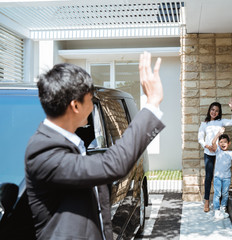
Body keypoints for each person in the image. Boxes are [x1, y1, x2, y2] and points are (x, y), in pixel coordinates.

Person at [25, 52, 165, 240]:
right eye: (90, 100)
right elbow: (111, 164)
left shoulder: (66, 141)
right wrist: (152, 104)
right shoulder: (43, 152)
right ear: (75, 106)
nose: (92, 107)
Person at [198, 98, 232, 212]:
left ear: (219, 112)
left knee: (219, 176)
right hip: (208, 152)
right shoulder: (204, 124)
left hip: (219, 153)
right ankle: (206, 201)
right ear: (209, 110)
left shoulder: (221, 121)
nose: (214, 112)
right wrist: (206, 145)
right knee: (209, 176)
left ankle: (219, 199)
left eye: (216, 111)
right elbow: (200, 137)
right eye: (212, 110)